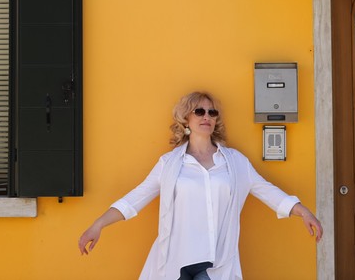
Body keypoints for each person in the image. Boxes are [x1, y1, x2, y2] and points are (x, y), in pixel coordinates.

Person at [78, 91, 323, 280]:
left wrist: (302, 211)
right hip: (175, 261)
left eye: (212, 112)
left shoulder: (235, 162)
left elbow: (266, 190)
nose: (207, 116)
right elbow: (136, 198)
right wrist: (97, 225)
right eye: (199, 111)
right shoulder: (170, 163)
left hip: (216, 263)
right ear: (186, 118)